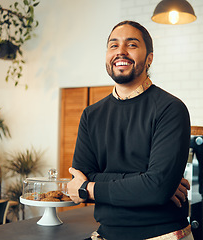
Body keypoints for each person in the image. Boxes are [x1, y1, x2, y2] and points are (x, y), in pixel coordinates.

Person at [67, 20, 193, 240]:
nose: (120, 52)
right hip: (106, 234)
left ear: (149, 58)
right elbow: (81, 177)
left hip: (163, 235)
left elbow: (156, 188)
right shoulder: (91, 115)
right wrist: (147, 182)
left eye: (132, 45)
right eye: (113, 45)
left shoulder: (171, 108)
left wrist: (90, 188)